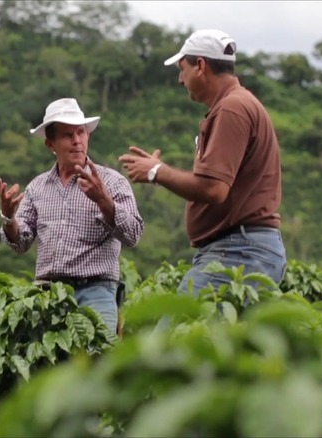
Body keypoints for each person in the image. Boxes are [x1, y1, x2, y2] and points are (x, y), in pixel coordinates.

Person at [119, 29, 287, 297]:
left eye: (181, 69)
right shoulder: (235, 105)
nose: (179, 79)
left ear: (200, 66)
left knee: (178, 333)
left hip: (238, 252)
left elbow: (214, 189)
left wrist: (156, 172)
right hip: (239, 249)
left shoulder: (233, 108)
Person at [0, 97, 144, 334]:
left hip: (96, 290)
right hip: (47, 294)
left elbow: (134, 234)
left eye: (81, 133)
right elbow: (21, 242)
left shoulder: (112, 182)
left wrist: (103, 200)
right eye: (67, 135)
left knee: (99, 358)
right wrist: (8, 218)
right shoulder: (37, 187)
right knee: (46, 367)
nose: (77, 141)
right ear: (50, 144)